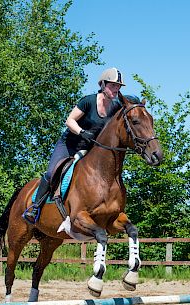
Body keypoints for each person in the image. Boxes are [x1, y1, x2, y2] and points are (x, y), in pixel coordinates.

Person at [22, 67, 126, 224]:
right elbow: (69, 121)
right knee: (51, 173)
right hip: (70, 145)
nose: (116, 89)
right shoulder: (88, 101)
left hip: (91, 149)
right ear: (103, 85)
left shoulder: (116, 106)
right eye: (113, 85)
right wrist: (82, 132)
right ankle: (35, 207)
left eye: (118, 86)